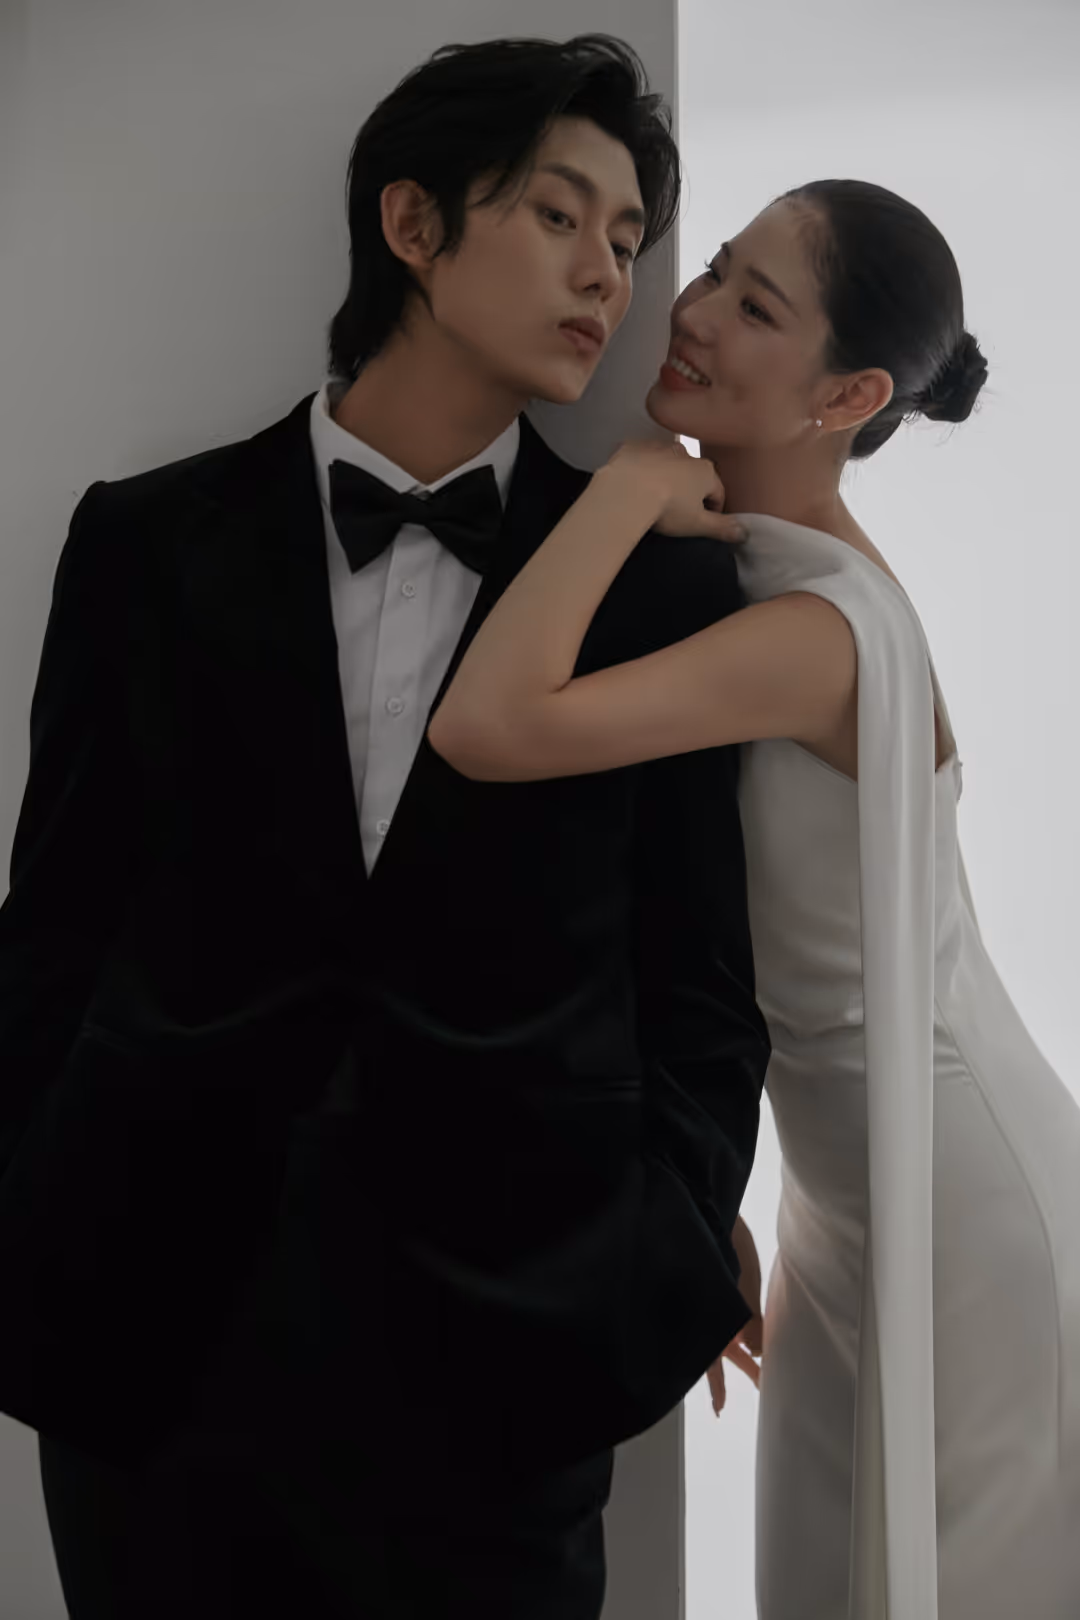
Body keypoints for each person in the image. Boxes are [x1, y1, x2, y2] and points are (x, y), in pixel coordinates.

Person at [0, 34, 771, 1620]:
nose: (609, 275)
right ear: (413, 226)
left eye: (629, 239)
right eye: (560, 216)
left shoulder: (663, 589)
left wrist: (666, 1248)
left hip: (510, 1379)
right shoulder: (144, 543)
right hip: (155, 1354)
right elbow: (53, 932)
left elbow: (701, 981)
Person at [429, 179, 1080, 1620]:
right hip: (846, 1201)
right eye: (716, 269)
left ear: (849, 396)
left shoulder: (812, 626)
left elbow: (484, 726)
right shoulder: (785, 561)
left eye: (757, 304)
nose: (695, 312)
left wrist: (627, 483)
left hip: (956, 1205)